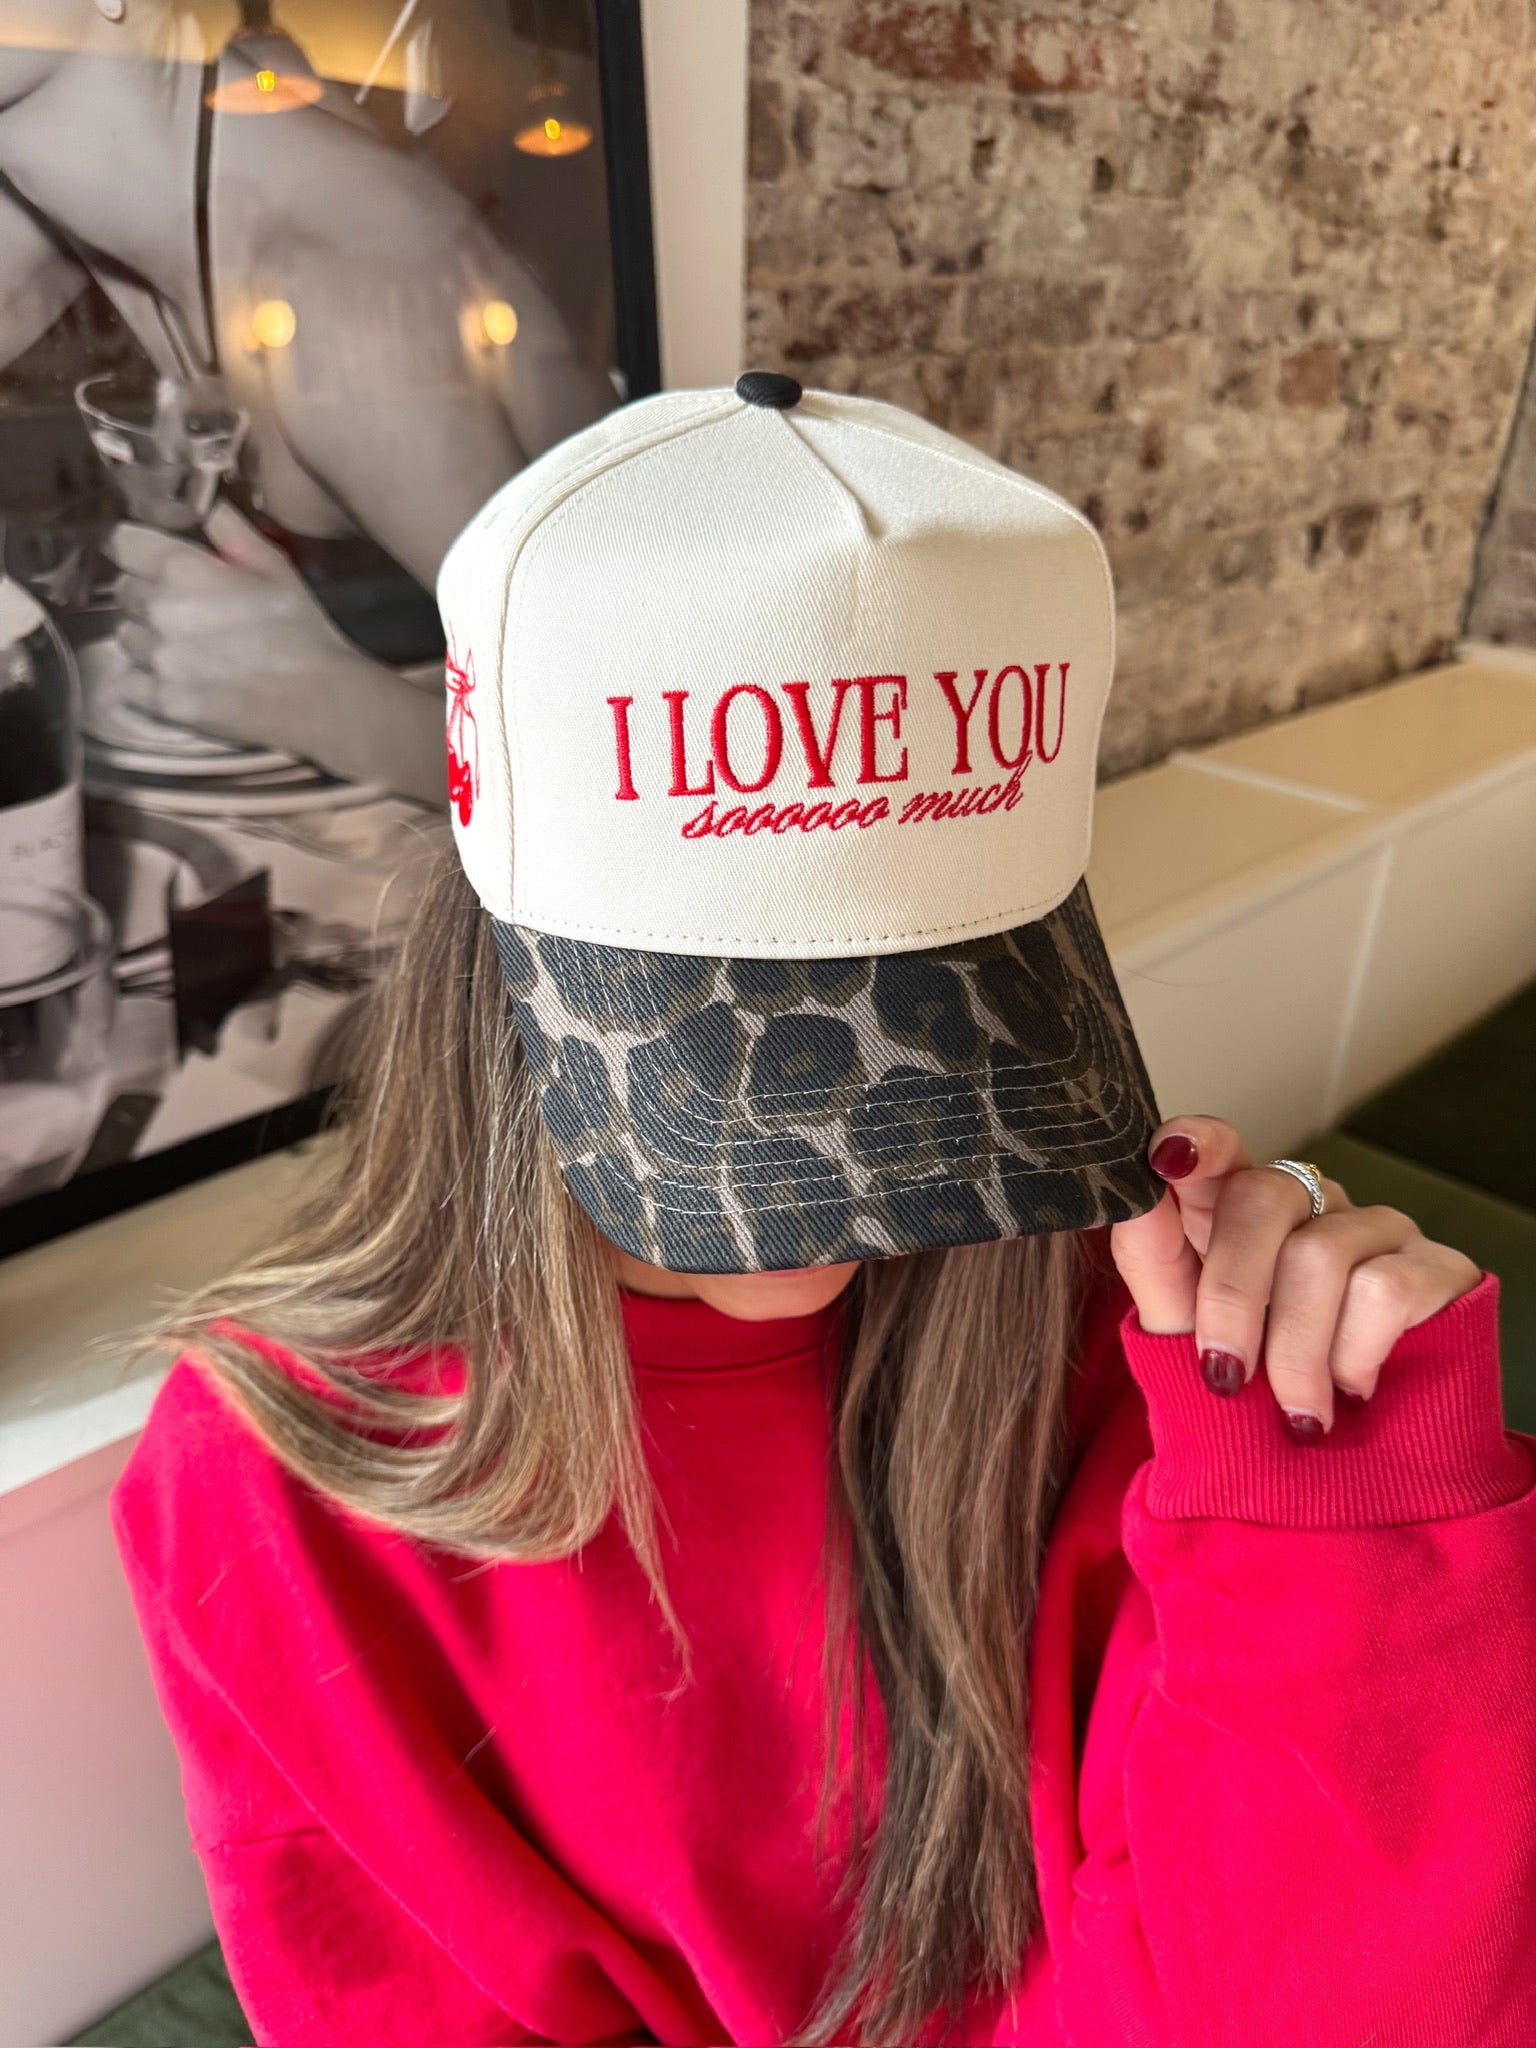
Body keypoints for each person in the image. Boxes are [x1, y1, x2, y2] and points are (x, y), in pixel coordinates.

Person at [111, 378, 1536, 2047]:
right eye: (744, 1061)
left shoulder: (1109, 1338)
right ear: (489, 968)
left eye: (936, 1047)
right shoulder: (272, 1485)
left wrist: (1336, 1520)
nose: (848, 1216)